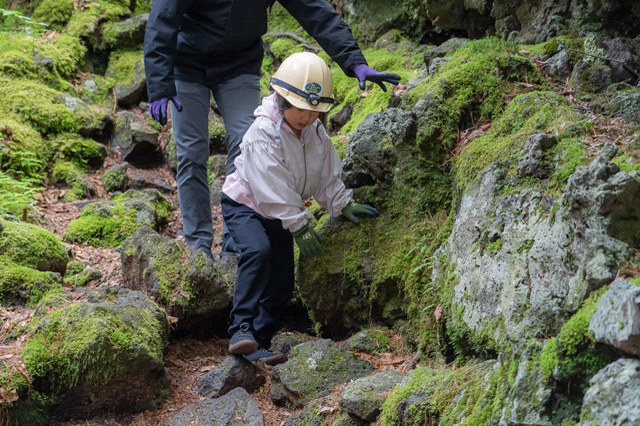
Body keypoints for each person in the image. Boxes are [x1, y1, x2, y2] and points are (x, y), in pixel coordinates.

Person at [143, 0, 400, 260]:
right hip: (187, 62)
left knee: (246, 142)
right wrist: (159, 83)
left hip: (238, 64)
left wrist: (355, 61)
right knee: (191, 151)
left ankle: (236, 241)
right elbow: (162, 17)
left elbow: (315, 11)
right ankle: (197, 245)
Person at [221, 52, 379, 364]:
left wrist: (340, 203)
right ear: (281, 99)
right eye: (300, 109)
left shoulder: (316, 134)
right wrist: (301, 225)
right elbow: (272, 187)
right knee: (257, 251)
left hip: (283, 213)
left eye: (314, 111)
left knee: (282, 279)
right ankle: (240, 327)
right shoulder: (262, 134)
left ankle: (259, 342)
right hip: (247, 204)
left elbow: (325, 173)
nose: (306, 117)